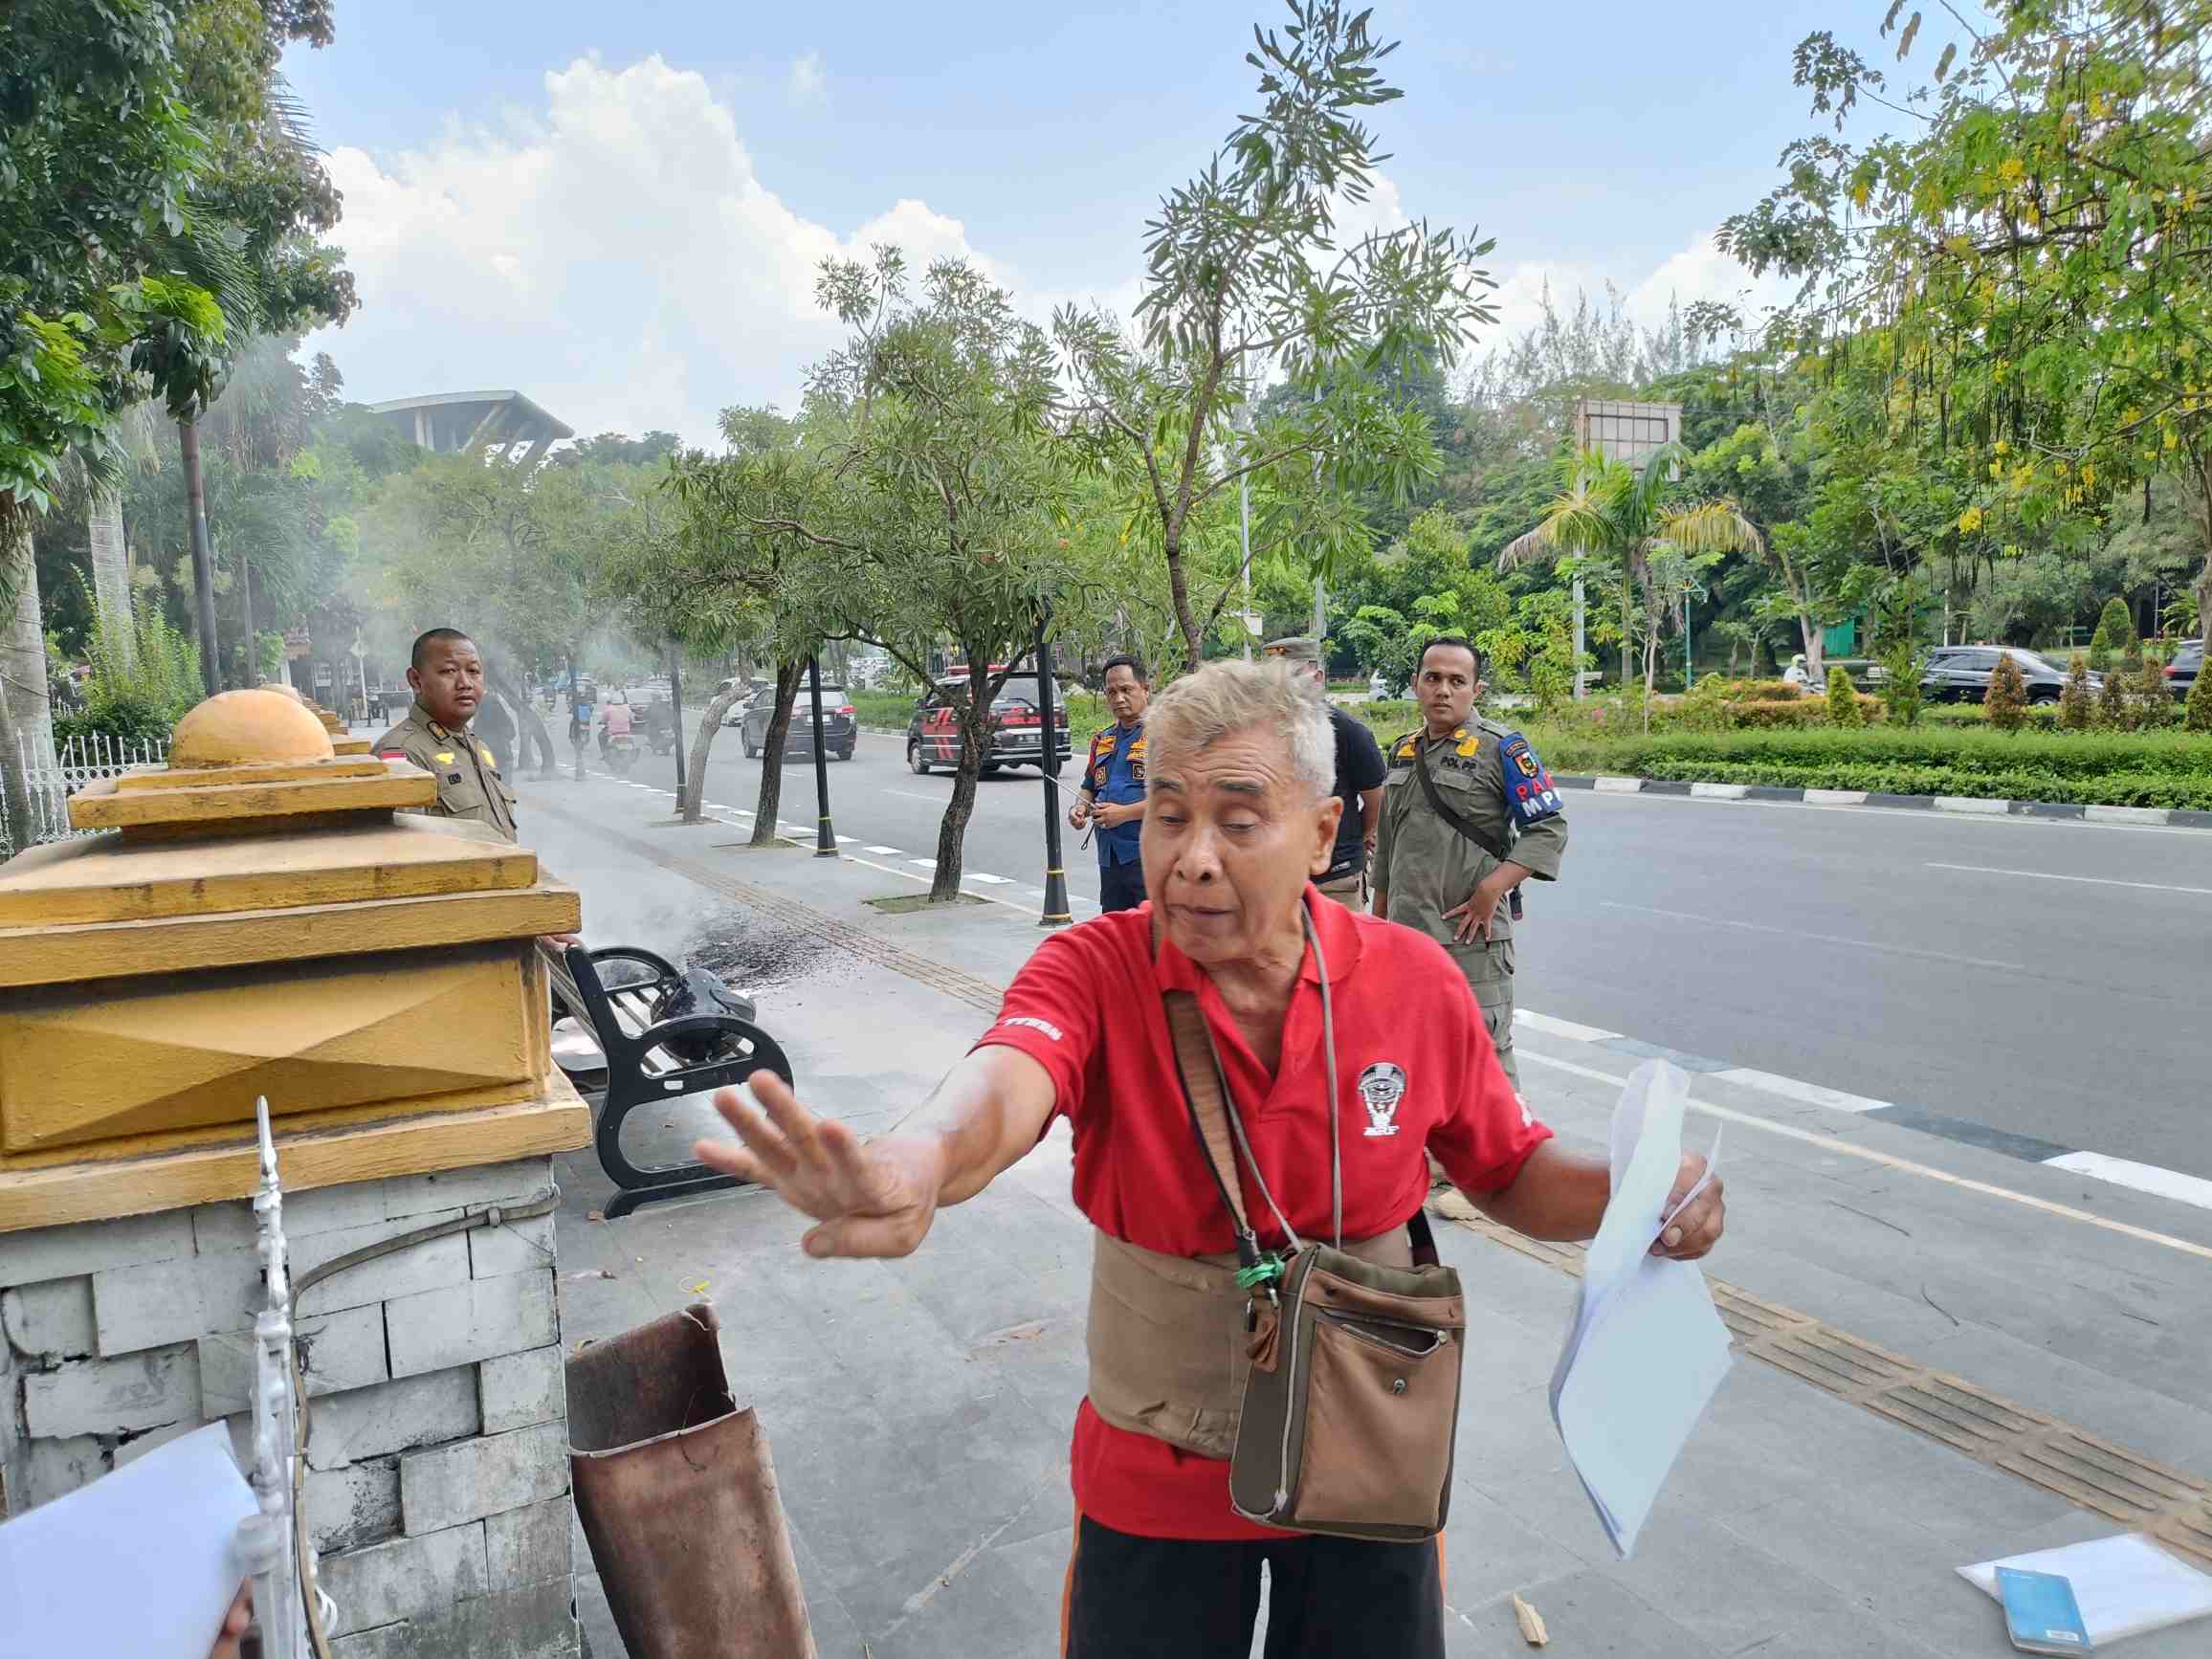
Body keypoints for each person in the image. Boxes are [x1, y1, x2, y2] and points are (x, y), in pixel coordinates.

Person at [693, 659, 1724, 1659]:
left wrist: (1639, 1198)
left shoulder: (1412, 980)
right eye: (1166, 813)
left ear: (1322, 833)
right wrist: (917, 1161)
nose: (1189, 856)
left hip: (1369, 1455)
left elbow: (1506, 1168)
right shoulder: (1092, 967)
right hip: (1157, 1473)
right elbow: (1006, 1080)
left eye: (1236, 821)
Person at [1371, 637, 1566, 1095]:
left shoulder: (1502, 749)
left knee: (1484, 1055)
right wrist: (1377, 921)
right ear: (1416, 684)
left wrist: (1491, 890)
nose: (1443, 689)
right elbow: (1387, 845)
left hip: (1470, 939)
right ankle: (1437, 1163)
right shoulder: (1403, 750)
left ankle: (1504, 1163)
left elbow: (1549, 828)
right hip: (1406, 936)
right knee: (1413, 1051)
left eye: (1456, 681)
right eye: (1433, 678)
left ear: (1475, 690)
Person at [1261, 635, 1386, 910]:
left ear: (1317, 677)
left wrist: (1352, 838)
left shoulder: (1349, 732)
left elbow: (1376, 801)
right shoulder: (1256, 732)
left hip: (1335, 880)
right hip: (1273, 878)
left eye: (1293, 674)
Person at [373, 629, 520, 840]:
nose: (465, 683)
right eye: (449, 671)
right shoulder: (401, 754)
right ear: (416, 680)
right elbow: (405, 856)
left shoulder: (476, 746)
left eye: (473, 671)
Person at [1069, 654, 1149, 913]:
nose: (1118, 698)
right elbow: (1089, 784)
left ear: (1145, 688)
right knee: (1115, 931)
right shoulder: (1102, 739)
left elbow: (1178, 799)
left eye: (1126, 690)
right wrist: (1079, 807)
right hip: (1110, 856)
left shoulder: (1167, 735)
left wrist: (1124, 814)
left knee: (1153, 934)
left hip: (1150, 855)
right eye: (1111, 692)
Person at [597, 690, 634, 756]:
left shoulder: (609, 708)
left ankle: (604, 753)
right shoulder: (627, 708)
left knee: (601, 736)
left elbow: (603, 720)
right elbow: (632, 719)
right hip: (626, 732)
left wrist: (602, 722)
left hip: (613, 732)